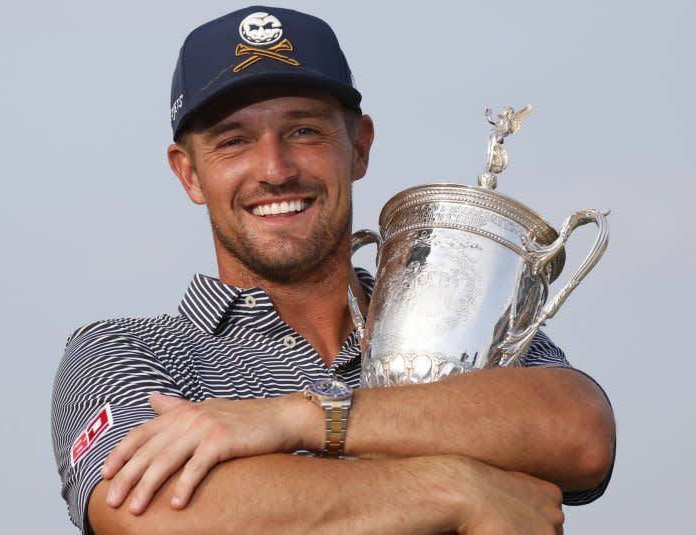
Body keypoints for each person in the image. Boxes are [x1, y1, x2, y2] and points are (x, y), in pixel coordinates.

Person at [51, 5, 615, 534]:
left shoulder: (453, 316)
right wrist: (456, 486)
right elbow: (144, 511)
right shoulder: (125, 352)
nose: (274, 170)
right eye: (234, 142)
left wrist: (297, 421)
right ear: (190, 175)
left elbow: (581, 432)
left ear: (360, 148)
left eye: (304, 131)